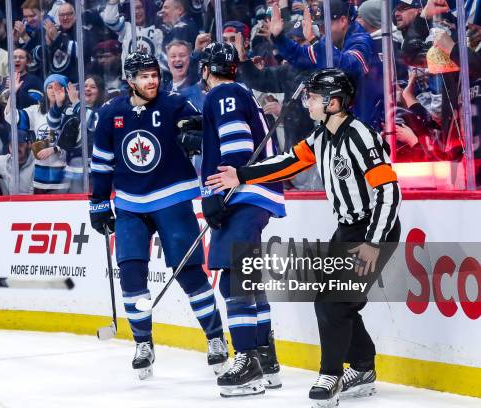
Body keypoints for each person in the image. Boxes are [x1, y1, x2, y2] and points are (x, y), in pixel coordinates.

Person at [205, 68, 402, 408]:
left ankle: (331, 374)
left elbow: (388, 192)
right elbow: (288, 162)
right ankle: (363, 367)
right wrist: (242, 175)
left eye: (314, 97)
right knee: (340, 302)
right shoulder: (321, 137)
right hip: (348, 229)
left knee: (331, 302)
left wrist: (373, 242)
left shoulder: (361, 136)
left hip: (373, 230)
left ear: (333, 102)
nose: (308, 102)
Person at [89, 51, 228, 380]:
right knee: (132, 273)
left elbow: (207, 134)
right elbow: (102, 162)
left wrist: (197, 136)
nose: (152, 80)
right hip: (129, 205)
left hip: (173, 198)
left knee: (189, 272)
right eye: (145, 76)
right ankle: (143, 343)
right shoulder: (111, 113)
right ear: (130, 81)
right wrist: (97, 202)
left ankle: (216, 339)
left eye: (155, 74)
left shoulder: (176, 104)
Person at [198, 42, 285, 398]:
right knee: (246, 276)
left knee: (234, 280)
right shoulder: (240, 92)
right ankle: (266, 360)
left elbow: (235, 146)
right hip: (256, 194)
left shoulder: (223, 93)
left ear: (207, 70)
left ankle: (247, 361)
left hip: (243, 194)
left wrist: (218, 194)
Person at [268, 0, 384, 129]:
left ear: (343, 21)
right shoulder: (329, 41)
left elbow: (345, 68)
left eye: (325, 25)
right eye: (320, 26)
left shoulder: (362, 41)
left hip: (368, 126)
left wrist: (314, 40)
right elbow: (300, 56)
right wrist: (279, 38)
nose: (322, 30)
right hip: (344, 123)